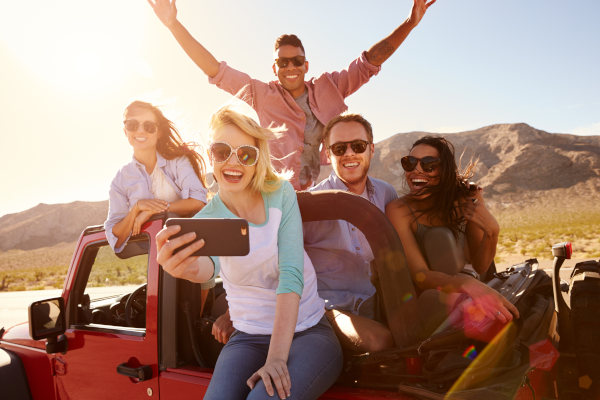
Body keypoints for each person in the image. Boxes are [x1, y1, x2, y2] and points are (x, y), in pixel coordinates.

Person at [155, 107, 342, 400]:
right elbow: (206, 268)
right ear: (211, 155)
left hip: (308, 332)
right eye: (221, 151)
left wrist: (277, 359)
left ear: (258, 161)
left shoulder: (280, 194)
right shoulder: (208, 218)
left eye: (245, 154)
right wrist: (183, 269)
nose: (233, 162)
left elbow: (291, 275)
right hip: (248, 337)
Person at [148, 0, 436, 190]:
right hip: (281, 198)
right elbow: (214, 69)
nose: (290, 67)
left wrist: (410, 22)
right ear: (275, 68)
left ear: (305, 64)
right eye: (283, 62)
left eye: (296, 61)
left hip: (331, 192)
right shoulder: (261, 95)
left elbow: (371, 61)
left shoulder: (330, 86)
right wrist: (173, 24)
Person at [385, 136, 519, 339]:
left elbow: (481, 266)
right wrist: (466, 285)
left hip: (474, 285)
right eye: (410, 163)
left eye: (429, 164)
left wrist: (492, 231)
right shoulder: (399, 210)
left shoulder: (464, 198)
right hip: (435, 295)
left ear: (444, 170)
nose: (417, 170)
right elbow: (420, 276)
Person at [303, 114, 398, 352]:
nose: (349, 154)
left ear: (371, 149)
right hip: (328, 307)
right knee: (380, 342)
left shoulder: (386, 193)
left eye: (357, 146)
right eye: (339, 148)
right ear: (328, 154)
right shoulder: (311, 203)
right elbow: (280, 259)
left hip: (375, 300)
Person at [104, 100, 207, 253]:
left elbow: (198, 202)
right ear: (125, 131)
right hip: (153, 264)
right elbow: (116, 237)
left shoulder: (178, 162)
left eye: (148, 126)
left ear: (159, 133)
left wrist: (154, 211)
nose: (140, 131)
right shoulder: (121, 179)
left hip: (192, 252)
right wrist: (136, 209)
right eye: (132, 125)